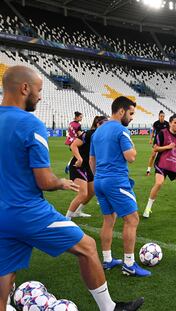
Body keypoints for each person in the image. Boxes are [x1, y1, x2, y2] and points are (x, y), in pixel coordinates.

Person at [0, 66, 144, 311]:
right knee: (87, 247)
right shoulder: (30, 124)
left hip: (2, 213)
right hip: (27, 211)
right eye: (39, 90)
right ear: (25, 88)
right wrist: (61, 182)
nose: (41, 96)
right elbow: (44, 181)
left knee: (6, 273)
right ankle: (109, 308)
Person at [90, 96, 150, 278]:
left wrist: (98, 178)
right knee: (132, 220)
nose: (132, 118)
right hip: (115, 181)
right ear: (121, 111)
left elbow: (92, 160)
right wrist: (133, 148)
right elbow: (130, 157)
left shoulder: (97, 131)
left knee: (108, 220)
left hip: (99, 181)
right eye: (131, 113)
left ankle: (107, 260)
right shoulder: (121, 131)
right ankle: (129, 265)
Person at [143, 114, 176, 218]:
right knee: (159, 183)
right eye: (175, 123)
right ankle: (148, 208)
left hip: (174, 164)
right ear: (170, 123)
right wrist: (168, 147)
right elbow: (155, 149)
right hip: (162, 163)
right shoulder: (162, 133)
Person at [66, 116, 108, 220]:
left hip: (88, 166)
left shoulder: (103, 136)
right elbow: (73, 145)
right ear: (98, 124)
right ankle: (66, 219)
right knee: (83, 194)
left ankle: (78, 212)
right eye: (104, 124)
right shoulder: (89, 134)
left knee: (91, 192)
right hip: (78, 165)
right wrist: (79, 159)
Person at [146, 111, 169, 176]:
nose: (162, 117)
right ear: (159, 116)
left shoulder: (167, 124)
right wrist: (151, 139)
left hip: (164, 142)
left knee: (164, 156)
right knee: (153, 155)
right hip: (156, 141)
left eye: (163, 116)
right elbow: (153, 132)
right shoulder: (156, 123)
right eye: (161, 116)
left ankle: (164, 169)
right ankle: (148, 170)